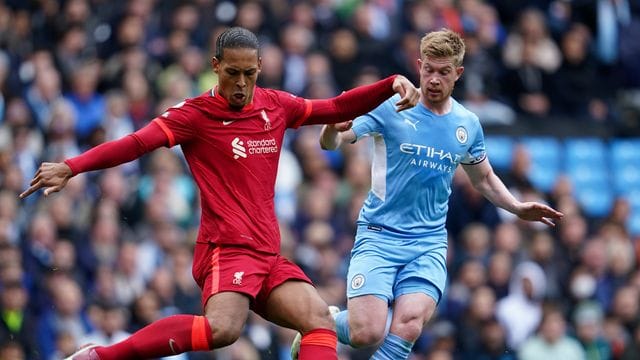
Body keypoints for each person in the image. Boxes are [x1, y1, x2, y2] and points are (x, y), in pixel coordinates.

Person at [19, 26, 420, 360]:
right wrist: (71, 167)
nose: (241, 84)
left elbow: (333, 107)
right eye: (232, 73)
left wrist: (390, 84)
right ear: (216, 67)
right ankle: (103, 356)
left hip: (267, 251)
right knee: (223, 329)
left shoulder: (276, 105)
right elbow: (135, 143)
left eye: (249, 73)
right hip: (224, 248)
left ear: (260, 67)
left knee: (319, 320)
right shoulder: (194, 115)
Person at [293, 28, 563, 360]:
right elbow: (331, 143)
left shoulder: (467, 124)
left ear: (458, 73)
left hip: (428, 242)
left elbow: (484, 179)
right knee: (368, 332)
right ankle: (329, 322)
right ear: (419, 66)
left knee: (408, 326)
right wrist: (331, 129)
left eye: (443, 72)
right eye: (428, 70)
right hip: (379, 235)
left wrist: (517, 208)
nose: (434, 79)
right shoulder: (390, 106)